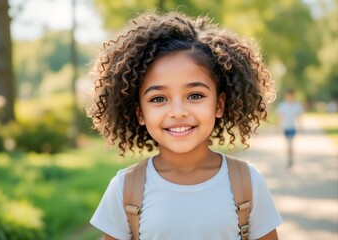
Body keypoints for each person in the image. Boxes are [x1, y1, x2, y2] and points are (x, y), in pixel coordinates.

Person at [87, 11, 282, 240]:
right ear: (140, 113)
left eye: (195, 95)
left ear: (219, 105)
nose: (178, 112)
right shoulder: (125, 189)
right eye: (159, 99)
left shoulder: (247, 182)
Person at [277, 89, 304, 168]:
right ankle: (289, 157)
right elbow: (280, 117)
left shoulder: (296, 105)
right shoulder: (282, 105)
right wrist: (278, 127)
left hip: (293, 128)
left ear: (293, 96)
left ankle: (290, 160)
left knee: (290, 144)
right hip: (285, 128)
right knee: (288, 144)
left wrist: (301, 127)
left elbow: (299, 117)